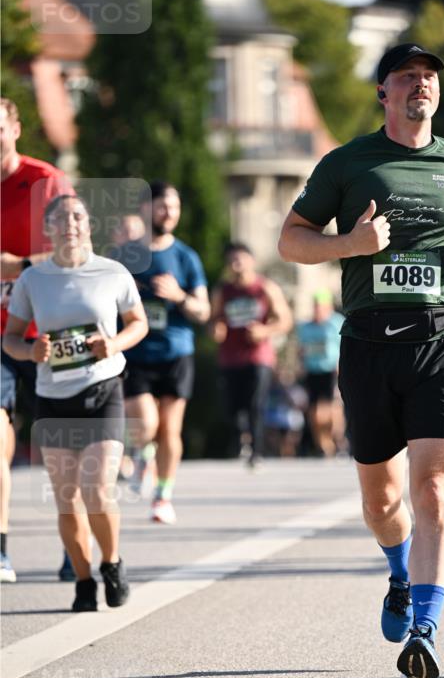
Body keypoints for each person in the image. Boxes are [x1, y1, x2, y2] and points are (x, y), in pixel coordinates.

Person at [279, 43, 444, 678]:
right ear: (383, 91)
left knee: (433, 489)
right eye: (407, 76)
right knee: (381, 501)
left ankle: (424, 631)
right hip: (369, 344)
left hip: (443, 339)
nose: (420, 85)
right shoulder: (347, 163)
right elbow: (290, 240)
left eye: (429, 77)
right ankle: (400, 574)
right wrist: (350, 243)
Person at [3, 194, 147, 610]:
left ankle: (112, 563)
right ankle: (84, 581)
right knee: (67, 500)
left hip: (103, 389)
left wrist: (113, 344)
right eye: (60, 218)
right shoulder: (33, 279)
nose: (70, 223)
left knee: (97, 489)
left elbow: (138, 324)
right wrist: (30, 351)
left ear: (88, 225)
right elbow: (11, 338)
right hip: (52, 397)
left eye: (78, 216)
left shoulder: (112, 272)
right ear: (48, 229)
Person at [0, 97, 74, 583]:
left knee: (61, 445)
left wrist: (20, 266)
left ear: (15, 128)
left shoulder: (44, 181)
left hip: (53, 328)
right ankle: (1, 549)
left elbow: (76, 253)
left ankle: (75, 542)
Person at [117, 181, 210, 524]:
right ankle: (143, 452)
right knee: (145, 423)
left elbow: (203, 310)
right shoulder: (124, 256)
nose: (169, 213)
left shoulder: (186, 257)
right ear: (146, 208)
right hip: (135, 351)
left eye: (175, 207)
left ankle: (163, 495)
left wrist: (179, 296)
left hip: (176, 351)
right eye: (162, 206)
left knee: (170, 429)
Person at [210, 242, 292, 468]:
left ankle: (257, 451)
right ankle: (239, 441)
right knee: (232, 406)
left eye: (240, 259)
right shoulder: (222, 291)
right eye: (231, 260)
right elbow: (213, 318)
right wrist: (215, 328)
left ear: (251, 261)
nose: (236, 264)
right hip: (230, 356)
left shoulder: (265, 288)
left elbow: (285, 320)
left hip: (258, 356)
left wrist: (265, 331)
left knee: (256, 403)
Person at [296, 291, 344, 457]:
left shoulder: (336, 323)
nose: (318, 310)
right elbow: (301, 350)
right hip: (312, 371)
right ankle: (323, 444)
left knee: (332, 409)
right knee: (314, 412)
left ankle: (338, 439)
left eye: (322, 307)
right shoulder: (305, 327)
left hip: (331, 370)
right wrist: (300, 364)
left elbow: (344, 346)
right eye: (316, 307)